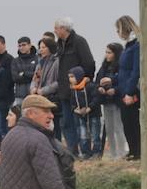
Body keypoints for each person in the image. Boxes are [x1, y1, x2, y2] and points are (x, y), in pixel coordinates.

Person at [54, 18, 96, 147]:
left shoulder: (79, 42)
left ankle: (84, 149)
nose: (54, 31)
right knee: (66, 122)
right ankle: (73, 150)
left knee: (80, 122)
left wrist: (87, 78)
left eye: (56, 28)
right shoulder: (59, 44)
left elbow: (89, 62)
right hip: (64, 89)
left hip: (78, 91)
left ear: (63, 28)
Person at [115, 16, 141, 160]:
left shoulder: (137, 45)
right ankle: (132, 150)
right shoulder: (128, 45)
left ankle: (137, 151)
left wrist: (130, 91)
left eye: (118, 29)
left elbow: (136, 70)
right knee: (127, 122)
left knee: (133, 122)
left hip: (130, 90)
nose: (117, 32)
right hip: (123, 88)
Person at [97, 43, 127, 159]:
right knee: (109, 129)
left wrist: (115, 90)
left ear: (116, 53)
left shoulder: (120, 66)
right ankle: (114, 154)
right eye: (106, 52)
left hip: (117, 102)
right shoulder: (104, 67)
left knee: (118, 128)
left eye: (109, 52)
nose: (107, 55)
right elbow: (97, 81)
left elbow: (122, 82)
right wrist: (99, 88)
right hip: (106, 101)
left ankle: (121, 153)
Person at [66, 66, 102, 158]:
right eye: (69, 77)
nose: (70, 79)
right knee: (83, 135)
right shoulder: (73, 89)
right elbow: (72, 102)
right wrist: (75, 109)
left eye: (72, 77)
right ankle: (86, 152)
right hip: (81, 116)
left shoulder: (90, 86)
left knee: (95, 134)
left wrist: (90, 107)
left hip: (93, 114)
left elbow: (96, 98)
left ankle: (96, 152)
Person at [10, 36, 38, 107]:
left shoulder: (37, 59)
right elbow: (15, 78)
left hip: (33, 95)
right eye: (19, 46)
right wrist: (30, 76)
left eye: (24, 45)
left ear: (29, 45)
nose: (21, 47)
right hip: (19, 96)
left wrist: (24, 74)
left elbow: (37, 75)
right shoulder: (15, 61)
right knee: (19, 117)